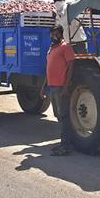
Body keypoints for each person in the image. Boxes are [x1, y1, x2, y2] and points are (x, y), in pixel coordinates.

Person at [40, 25, 75, 156]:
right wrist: (44, 86)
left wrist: (66, 87)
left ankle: (66, 145)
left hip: (61, 87)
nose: (52, 36)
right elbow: (48, 68)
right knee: (58, 115)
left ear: (60, 34)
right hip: (52, 87)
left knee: (64, 115)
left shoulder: (65, 47)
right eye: (51, 34)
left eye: (55, 34)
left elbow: (71, 66)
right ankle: (65, 142)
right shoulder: (51, 49)